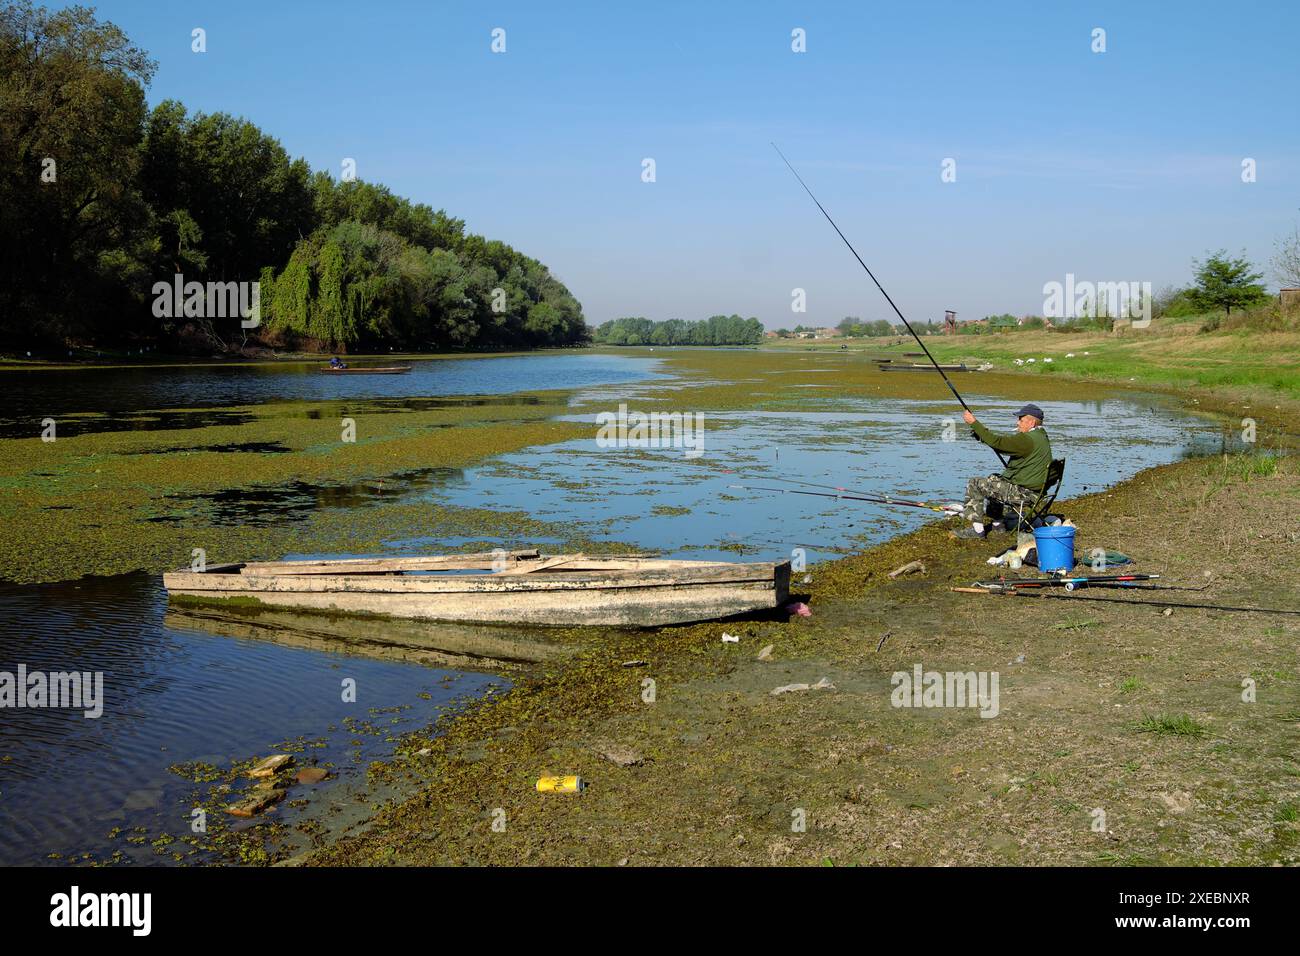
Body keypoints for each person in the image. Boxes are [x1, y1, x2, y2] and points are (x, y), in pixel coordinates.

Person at [950, 403, 1052, 539]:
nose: (1018, 423)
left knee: (974, 483)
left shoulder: (1027, 439)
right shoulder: (1041, 436)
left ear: (1032, 422)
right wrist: (981, 436)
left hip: (1024, 494)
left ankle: (977, 531)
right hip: (1035, 492)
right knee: (994, 479)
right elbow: (1002, 446)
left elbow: (998, 442)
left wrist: (974, 423)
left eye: (1021, 420)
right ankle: (998, 525)